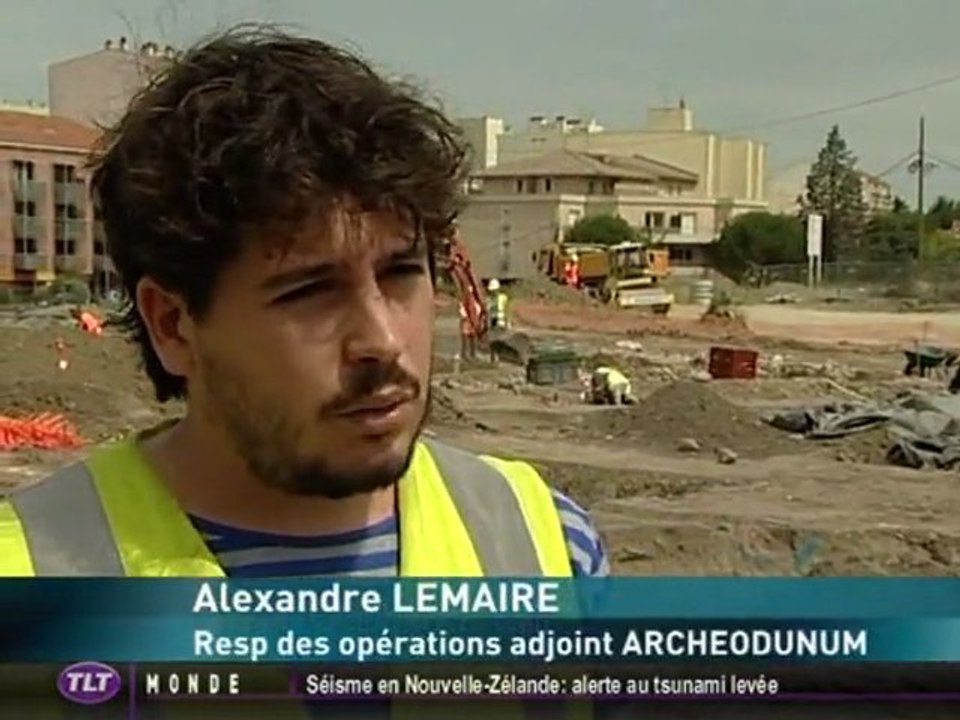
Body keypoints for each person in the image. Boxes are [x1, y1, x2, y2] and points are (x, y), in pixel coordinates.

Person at [0, 27, 608, 584]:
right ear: (173, 324)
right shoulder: (30, 574)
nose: (382, 341)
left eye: (401, 274)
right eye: (311, 291)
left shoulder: (548, 546)